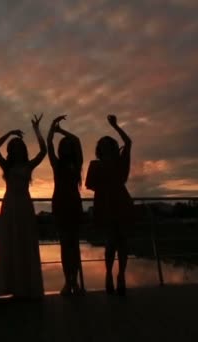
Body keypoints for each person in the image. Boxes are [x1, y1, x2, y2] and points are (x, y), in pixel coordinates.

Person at [0, 113, 47, 299]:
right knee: (10, 242)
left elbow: (43, 152)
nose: (15, 149)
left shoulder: (28, 165)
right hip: (10, 205)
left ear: (22, 149)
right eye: (13, 147)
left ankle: (25, 286)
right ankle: (11, 285)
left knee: (25, 242)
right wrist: (9, 133)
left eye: (18, 146)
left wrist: (37, 130)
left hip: (24, 204)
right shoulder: (6, 166)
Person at [85, 114, 134, 296]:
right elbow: (89, 184)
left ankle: (121, 275)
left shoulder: (121, 160)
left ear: (113, 147)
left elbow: (128, 142)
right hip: (105, 203)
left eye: (108, 145)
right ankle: (108, 275)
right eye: (102, 146)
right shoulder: (95, 164)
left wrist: (116, 126)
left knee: (122, 241)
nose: (105, 148)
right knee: (111, 241)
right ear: (100, 149)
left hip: (121, 201)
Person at [47, 115, 84, 296]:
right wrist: (53, 127)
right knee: (64, 244)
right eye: (66, 145)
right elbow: (49, 144)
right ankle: (67, 281)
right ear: (62, 149)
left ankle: (74, 281)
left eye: (70, 146)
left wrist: (61, 130)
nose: (69, 147)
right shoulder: (57, 164)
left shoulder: (77, 165)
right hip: (60, 203)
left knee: (74, 244)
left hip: (74, 204)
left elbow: (76, 140)